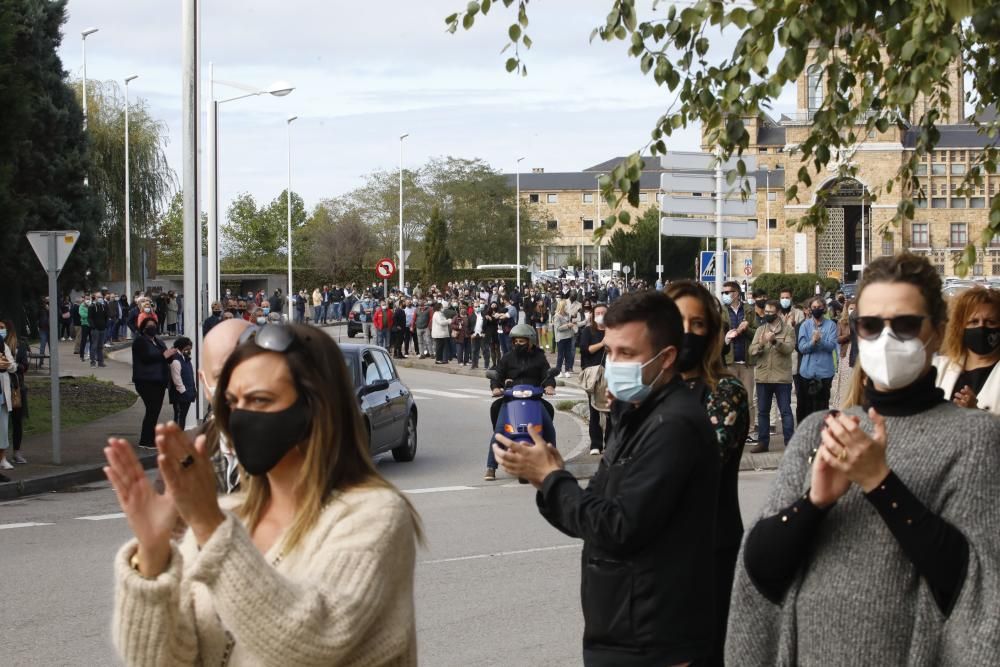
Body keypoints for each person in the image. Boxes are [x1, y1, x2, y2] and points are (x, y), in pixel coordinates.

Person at [726, 253, 1000, 665]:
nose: (886, 339)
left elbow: (975, 587)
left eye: (905, 324)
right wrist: (814, 502)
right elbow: (759, 571)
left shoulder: (975, 438)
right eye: (871, 325)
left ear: (937, 331)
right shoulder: (821, 429)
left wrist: (880, 482)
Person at [105, 323, 423, 665]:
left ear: (316, 406)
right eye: (232, 402)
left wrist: (209, 526)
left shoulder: (372, 515)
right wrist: (152, 556)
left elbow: (312, 643)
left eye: (260, 399)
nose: (241, 416)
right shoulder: (230, 515)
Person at [494, 290, 719, 665]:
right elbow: (593, 512)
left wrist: (552, 479)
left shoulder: (673, 425)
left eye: (627, 354)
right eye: (610, 352)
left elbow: (618, 526)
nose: (614, 364)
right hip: (621, 631)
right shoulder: (636, 415)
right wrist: (549, 479)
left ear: (667, 358)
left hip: (652, 640)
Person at [666, 280, 749, 664]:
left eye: (697, 324)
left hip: (707, 552)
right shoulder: (647, 389)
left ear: (712, 333)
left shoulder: (724, 391)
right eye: (676, 321)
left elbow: (691, 467)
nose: (686, 332)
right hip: (654, 555)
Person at [484, 323, 556, 482]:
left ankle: (553, 463)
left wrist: (549, 386)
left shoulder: (539, 357)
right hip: (510, 401)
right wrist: (496, 387)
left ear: (530, 341)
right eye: (515, 341)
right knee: (500, 431)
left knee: (549, 428)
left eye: (521, 341)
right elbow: (497, 374)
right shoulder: (507, 357)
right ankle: (491, 466)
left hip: (534, 400)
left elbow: (548, 374)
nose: (518, 344)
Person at [200, 318, 254, 494]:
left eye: (245, 372)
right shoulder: (186, 455)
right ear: (204, 383)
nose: (235, 386)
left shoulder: (296, 452)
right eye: (222, 376)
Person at [933, 285, 1000, 413]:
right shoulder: (940, 367)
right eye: (974, 322)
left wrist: (977, 413)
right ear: (961, 328)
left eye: (990, 322)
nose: (981, 328)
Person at [748, 300, 795, 453]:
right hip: (763, 377)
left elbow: (788, 349)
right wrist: (761, 344)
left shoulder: (788, 330)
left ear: (778, 312)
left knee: (785, 411)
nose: (767, 314)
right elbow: (752, 351)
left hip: (781, 377)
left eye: (771, 312)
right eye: (766, 312)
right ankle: (763, 443)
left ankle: (789, 443)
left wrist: (775, 342)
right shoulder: (760, 329)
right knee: (763, 412)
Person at [722, 280, 759, 442]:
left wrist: (746, 329)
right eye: (723, 293)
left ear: (736, 293)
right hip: (728, 362)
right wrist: (726, 337)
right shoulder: (721, 311)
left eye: (727, 292)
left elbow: (757, 333)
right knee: (730, 399)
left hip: (746, 362)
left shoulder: (749, 311)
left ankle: (750, 431)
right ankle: (732, 431)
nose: (725, 295)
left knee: (749, 399)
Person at [132, 318, 177, 449]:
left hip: (160, 380)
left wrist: (171, 354)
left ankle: (149, 437)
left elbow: (167, 357)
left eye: (154, 325)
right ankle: (146, 440)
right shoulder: (140, 341)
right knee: (152, 409)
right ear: (144, 328)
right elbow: (146, 358)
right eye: (149, 326)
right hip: (146, 380)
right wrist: (164, 355)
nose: (152, 328)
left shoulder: (158, 341)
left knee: (155, 411)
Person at [796, 296, 838, 418]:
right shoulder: (805, 326)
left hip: (825, 372)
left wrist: (820, 341)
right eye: (814, 307)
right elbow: (802, 348)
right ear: (810, 309)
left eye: (819, 307)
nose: (816, 309)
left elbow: (831, 346)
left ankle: (823, 434)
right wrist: (813, 342)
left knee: (822, 408)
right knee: (807, 407)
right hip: (807, 372)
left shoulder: (831, 325)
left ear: (824, 308)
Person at [578, 303, 609, 455]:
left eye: (604, 312)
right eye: (598, 312)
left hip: (611, 373)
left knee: (611, 410)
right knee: (594, 409)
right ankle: (595, 444)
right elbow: (585, 350)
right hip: (594, 374)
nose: (601, 315)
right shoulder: (587, 331)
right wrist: (602, 344)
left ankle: (610, 442)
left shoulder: (613, 331)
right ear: (593, 315)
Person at [4, 320, 30, 465]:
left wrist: (14, 366)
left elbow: (24, 366)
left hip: (16, 388)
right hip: (4, 386)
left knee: (16, 421)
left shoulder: (18, 346)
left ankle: (16, 452)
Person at [830, 298, 856, 408]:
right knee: (845, 382)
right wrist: (850, 335)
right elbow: (838, 339)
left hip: (857, 353)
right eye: (851, 308)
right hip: (846, 354)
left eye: (855, 309)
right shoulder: (842, 322)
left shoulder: (862, 322)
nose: (853, 311)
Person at [0, 321, 19, 471]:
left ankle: (2, 458)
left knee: (3, 429)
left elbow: (13, 366)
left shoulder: (3, 346)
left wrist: (6, 365)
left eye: (2, 328)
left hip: (2, 394)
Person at [167, 337, 196, 430]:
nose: (189, 350)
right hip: (180, 395)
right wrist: (184, 392)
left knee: (182, 417)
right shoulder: (176, 361)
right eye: (187, 348)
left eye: (190, 348)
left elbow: (190, 376)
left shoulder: (186, 359)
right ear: (181, 347)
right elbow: (177, 379)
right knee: (179, 417)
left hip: (186, 394)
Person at [553, 298, 577, 378]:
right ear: (562, 306)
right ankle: (558, 371)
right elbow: (558, 328)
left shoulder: (567, 315)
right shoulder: (557, 316)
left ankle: (567, 370)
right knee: (560, 355)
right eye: (565, 305)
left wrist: (571, 324)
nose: (567, 306)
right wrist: (567, 325)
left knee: (568, 354)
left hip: (569, 336)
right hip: (561, 338)